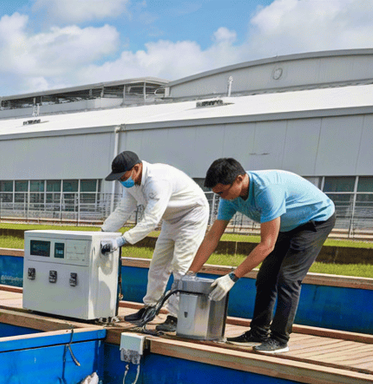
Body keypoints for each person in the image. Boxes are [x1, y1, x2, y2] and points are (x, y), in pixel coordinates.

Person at [188, 158, 335, 354]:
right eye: (217, 194)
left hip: (315, 220)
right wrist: (189, 273)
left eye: (222, 192)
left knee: (288, 277)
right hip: (288, 223)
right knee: (265, 277)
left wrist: (232, 277)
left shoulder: (267, 191)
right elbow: (212, 237)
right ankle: (257, 333)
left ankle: (280, 339)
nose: (221, 197)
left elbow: (267, 245)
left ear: (239, 179)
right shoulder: (229, 199)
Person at [100, 151, 210, 334]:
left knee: (181, 267)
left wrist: (121, 240)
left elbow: (150, 220)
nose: (122, 181)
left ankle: (176, 316)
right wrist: (102, 233)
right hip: (171, 219)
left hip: (192, 216)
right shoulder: (132, 183)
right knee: (158, 265)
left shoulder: (158, 180)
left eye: (123, 177)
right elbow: (123, 210)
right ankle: (150, 307)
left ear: (136, 168)